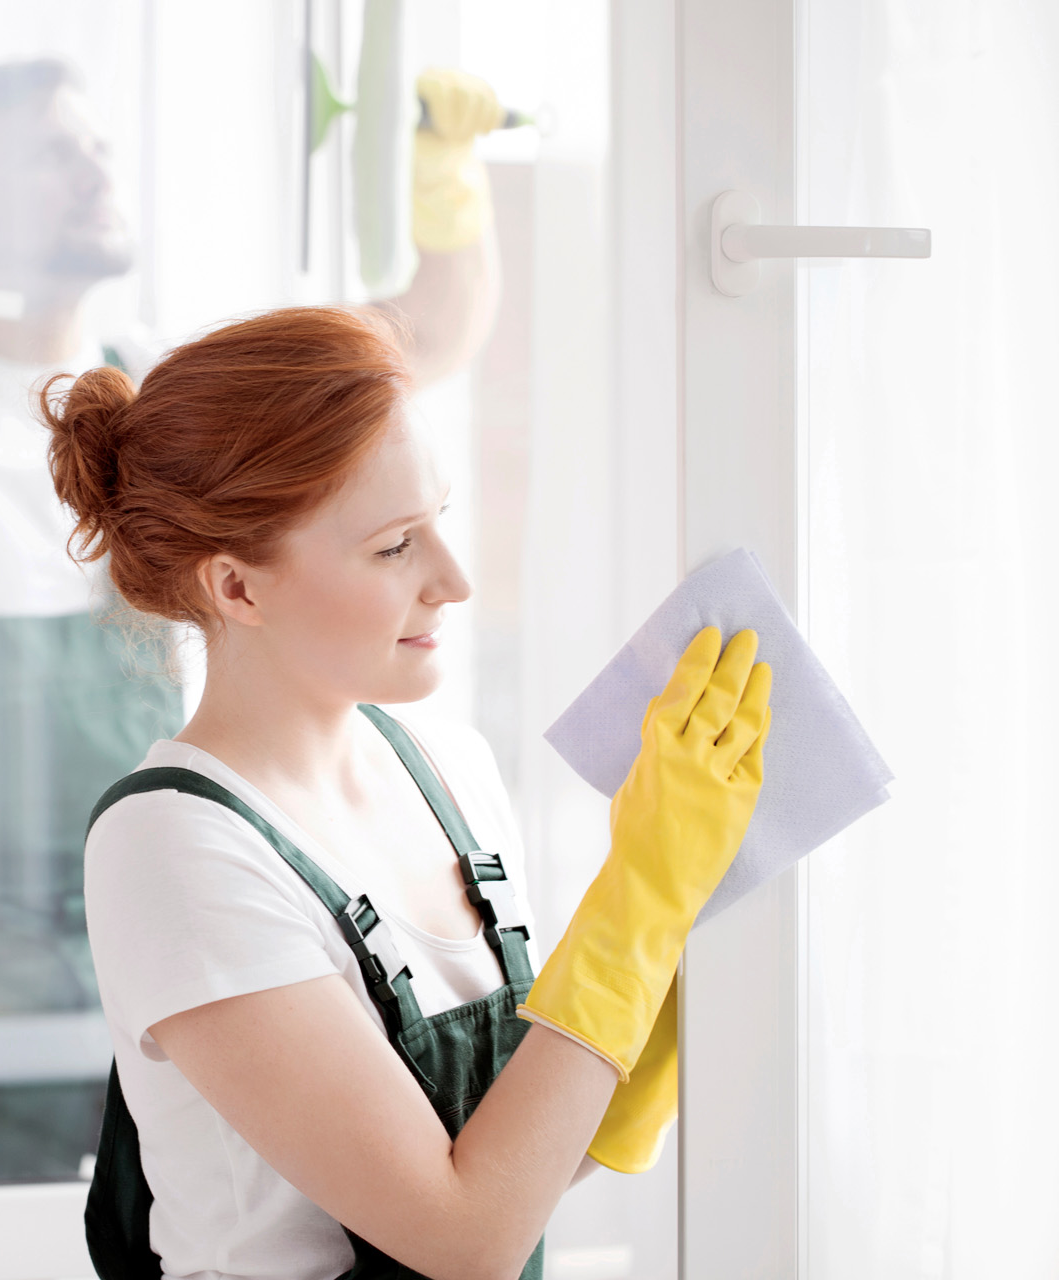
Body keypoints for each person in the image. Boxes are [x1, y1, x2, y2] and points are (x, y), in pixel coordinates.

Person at [0, 60, 511, 1182]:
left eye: (96, 145)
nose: (93, 166)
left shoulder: (159, 393)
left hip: (175, 895)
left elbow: (413, 346)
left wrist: (450, 192)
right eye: (49, 153)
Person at [44, 305, 770, 1279]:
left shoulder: (451, 771)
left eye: (441, 522)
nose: (455, 579)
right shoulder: (172, 846)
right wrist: (641, 890)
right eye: (394, 546)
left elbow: (515, 1170)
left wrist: (672, 975)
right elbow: (461, 1235)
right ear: (237, 588)